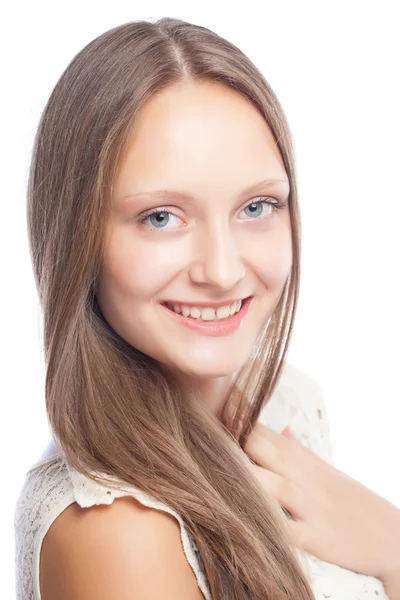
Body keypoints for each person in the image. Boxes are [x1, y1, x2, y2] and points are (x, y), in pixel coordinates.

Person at [13, 16, 400, 600]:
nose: (221, 271)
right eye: (161, 217)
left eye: (256, 206)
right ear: (76, 237)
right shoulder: (118, 530)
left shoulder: (286, 404)